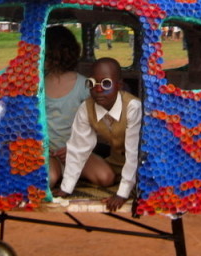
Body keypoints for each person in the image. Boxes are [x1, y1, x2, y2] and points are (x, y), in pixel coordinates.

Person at [54, 57, 142, 212]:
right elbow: (77, 148)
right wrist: (66, 188)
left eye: (106, 83)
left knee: (145, 189)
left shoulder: (133, 107)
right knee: (104, 177)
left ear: (119, 85)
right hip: (116, 164)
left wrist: (122, 194)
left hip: (142, 164)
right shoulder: (86, 108)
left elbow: (134, 154)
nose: (98, 89)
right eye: (92, 84)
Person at [44, 26, 90, 188]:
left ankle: (68, 173)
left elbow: (94, 124)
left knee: (105, 177)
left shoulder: (83, 84)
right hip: (48, 153)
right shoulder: (40, 84)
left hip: (76, 152)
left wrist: (76, 148)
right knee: (50, 178)